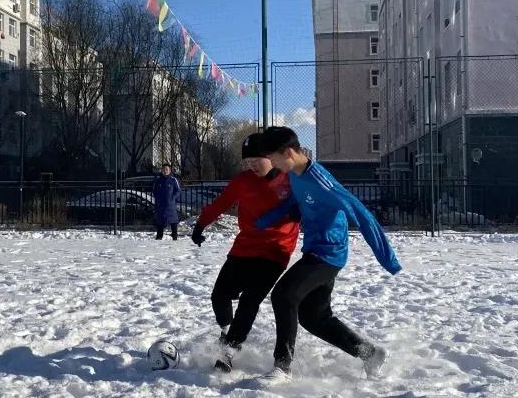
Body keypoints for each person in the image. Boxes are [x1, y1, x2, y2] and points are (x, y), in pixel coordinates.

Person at [255, 126, 401, 380]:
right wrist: (268, 219)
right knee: (314, 317)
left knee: (284, 295)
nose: (273, 164)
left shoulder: (321, 180)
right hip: (314, 250)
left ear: (288, 152)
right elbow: (295, 203)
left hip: (329, 253)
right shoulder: (295, 175)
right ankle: (370, 354)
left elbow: (361, 213)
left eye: (274, 159)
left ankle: (282, 366)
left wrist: (388, 259)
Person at [191, 132, 300, 372]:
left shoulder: (290, 180)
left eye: (255, 161)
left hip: (276, 250)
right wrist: (201, 224)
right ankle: (227, 332)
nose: (251, 166)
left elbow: (312, 204)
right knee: (219, 295)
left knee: (250, 300)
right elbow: (220, 203)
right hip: (245, 246)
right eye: (247, 163)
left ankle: (230, 350)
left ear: (271, 157)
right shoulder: (243, 181)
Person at [151, 164, 181, 240]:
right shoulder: (158, 181)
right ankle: (158, 238)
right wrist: (158, 199)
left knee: (173, 222)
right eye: (164, 169)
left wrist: (173, 198)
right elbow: (154, 191)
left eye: (166, 169)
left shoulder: (174, 180)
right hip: (161, 206)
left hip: (171, 206)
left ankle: (175, 237)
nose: (165, 171)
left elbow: (178, 191)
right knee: (160, 222)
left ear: (169, 170)